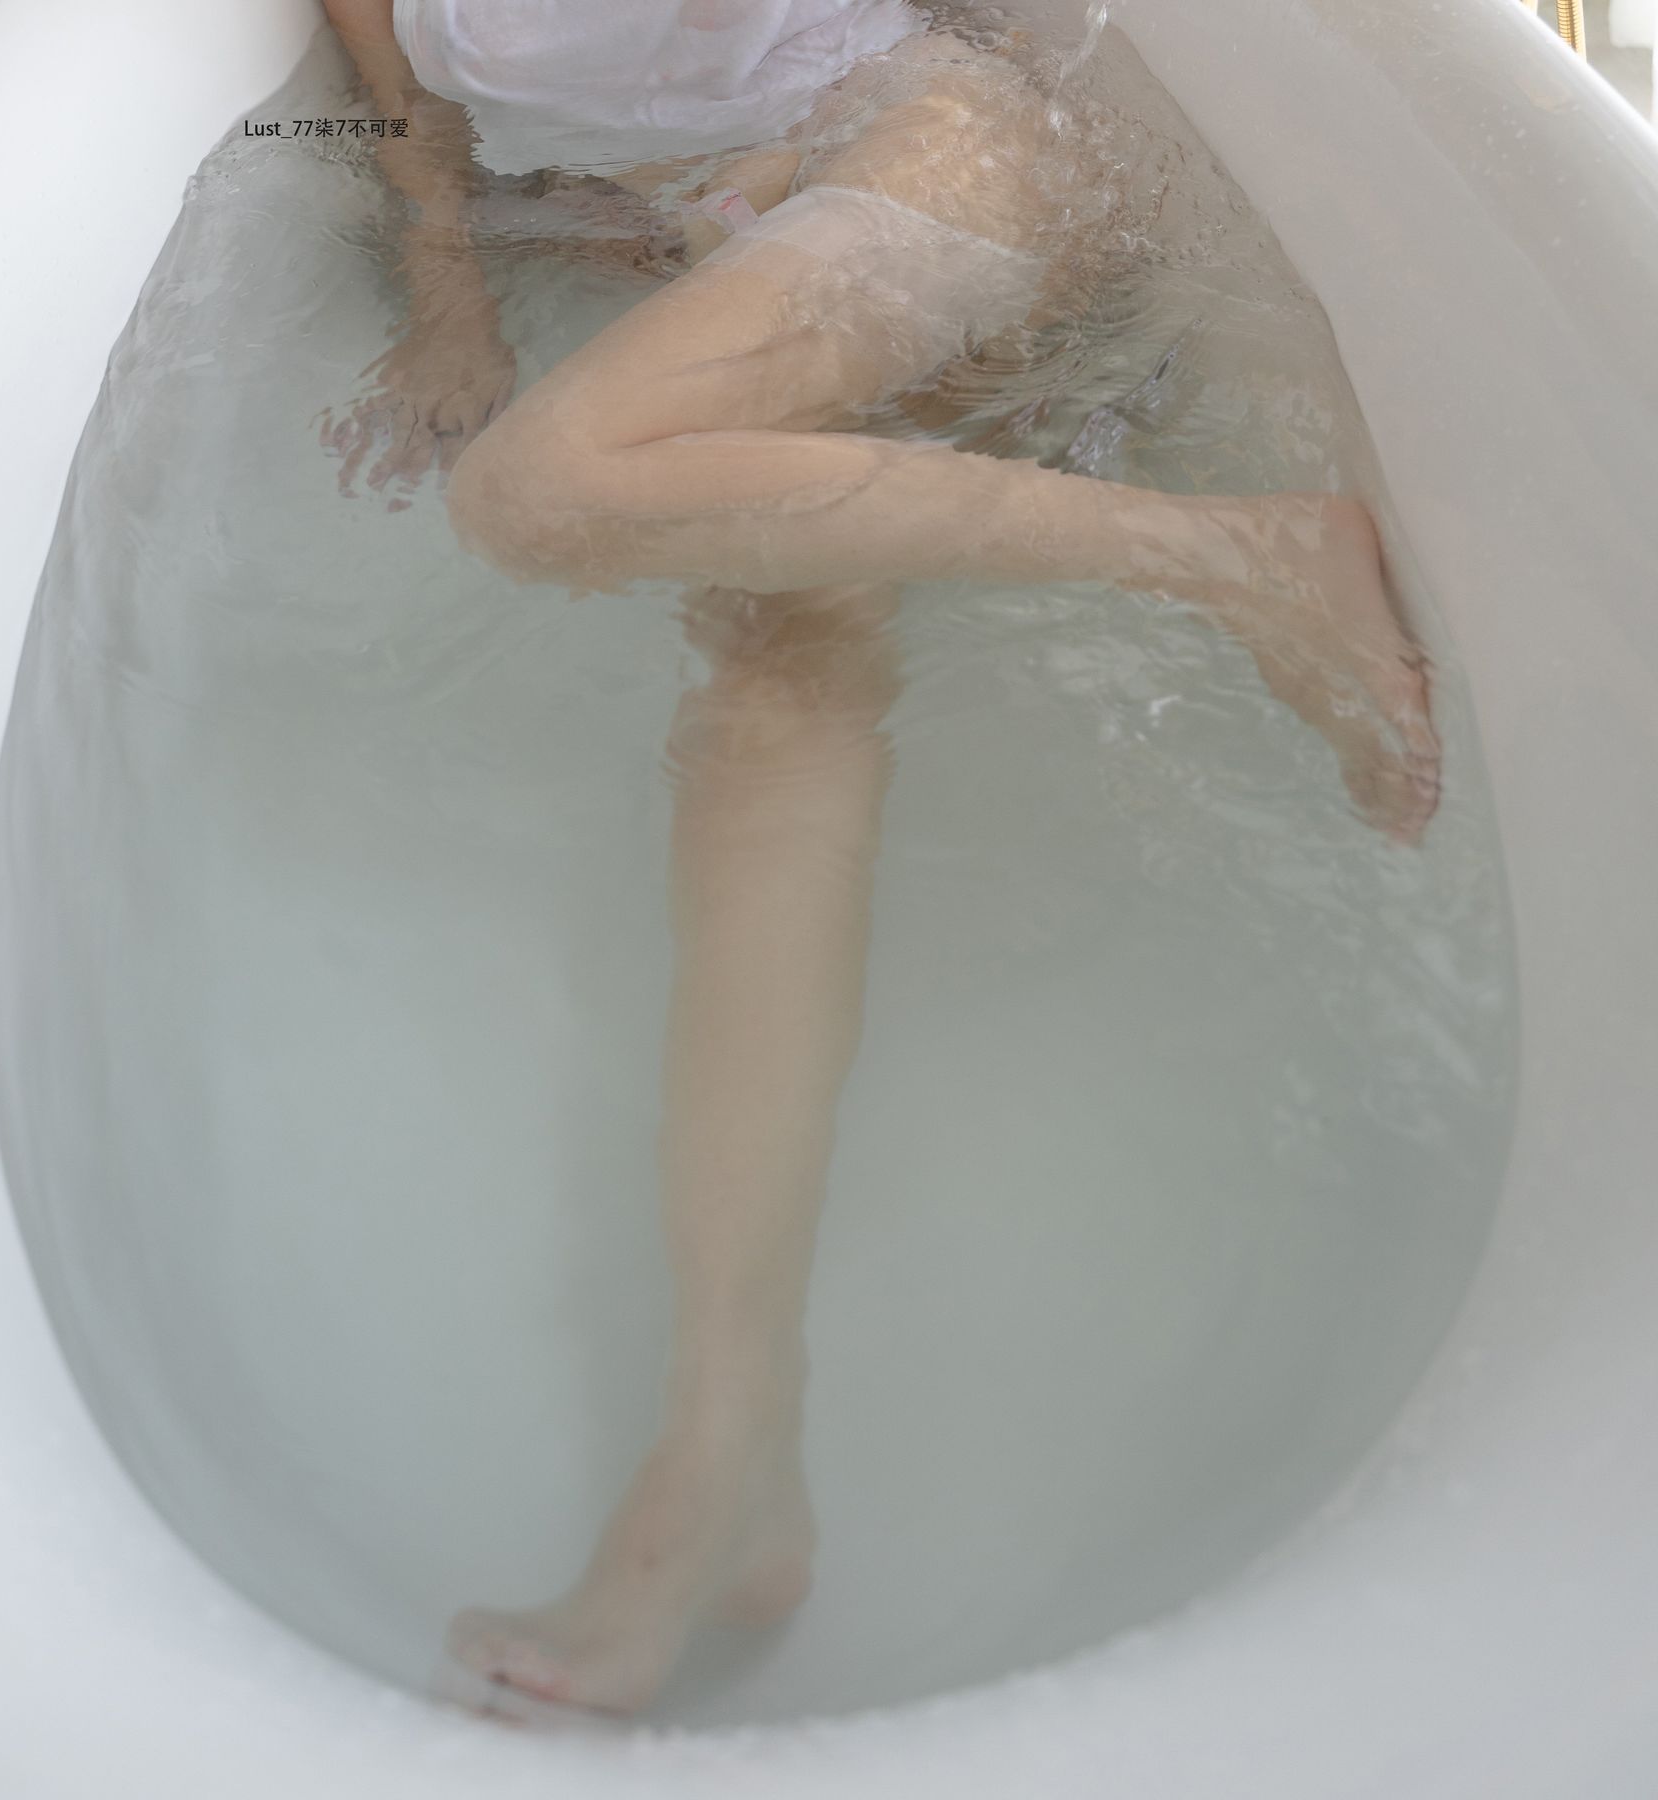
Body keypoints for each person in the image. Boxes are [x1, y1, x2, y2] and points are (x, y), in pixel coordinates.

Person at [319, 0, 1442, 1717]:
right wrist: (450, 308)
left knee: (542, 492)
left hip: (932, 172)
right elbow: (405, 114)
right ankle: (732, 1439)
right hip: (728, 274)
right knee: (770, 695)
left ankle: (1234, 556)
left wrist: (740, 195)